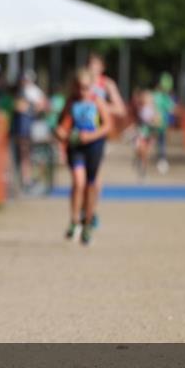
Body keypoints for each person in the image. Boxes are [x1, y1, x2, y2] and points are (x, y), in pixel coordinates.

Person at [55, 69, 111, 246]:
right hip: (76, 146)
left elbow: (107, 126)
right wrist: (61, 134)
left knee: (90, 185)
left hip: (94, 146)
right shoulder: (71, 102)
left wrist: (91, 136)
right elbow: (61, 125)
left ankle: (87, 222)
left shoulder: (97, 101)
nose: (82, 91)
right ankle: (74, 221)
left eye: (86, 88)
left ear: (92, 87)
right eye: (79, 87)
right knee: (78, 182)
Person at [85, 53, 127, 228]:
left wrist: (101, 106)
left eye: (96, 64)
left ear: (102, 67)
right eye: (90, 64)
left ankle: (91, 211)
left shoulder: (107, 84)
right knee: (81, 176)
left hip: (99, 133)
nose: (92, 68)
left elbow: (120, 109)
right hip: (82, 132)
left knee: (95, 177)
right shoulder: (82, 82)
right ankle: (83, 209)